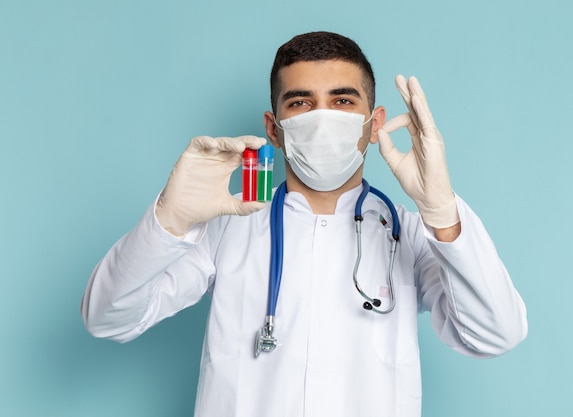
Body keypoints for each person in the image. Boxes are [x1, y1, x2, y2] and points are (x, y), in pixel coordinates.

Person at [81, 31, 527, 417]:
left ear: (374, 125)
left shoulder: (405, 233)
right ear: (273, 129)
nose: (322, 117)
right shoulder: (225, 228)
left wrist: (443, 213)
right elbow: (107, 318)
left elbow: (496, 334)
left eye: (342, 100)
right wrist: (170, 221)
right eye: (301, 102)